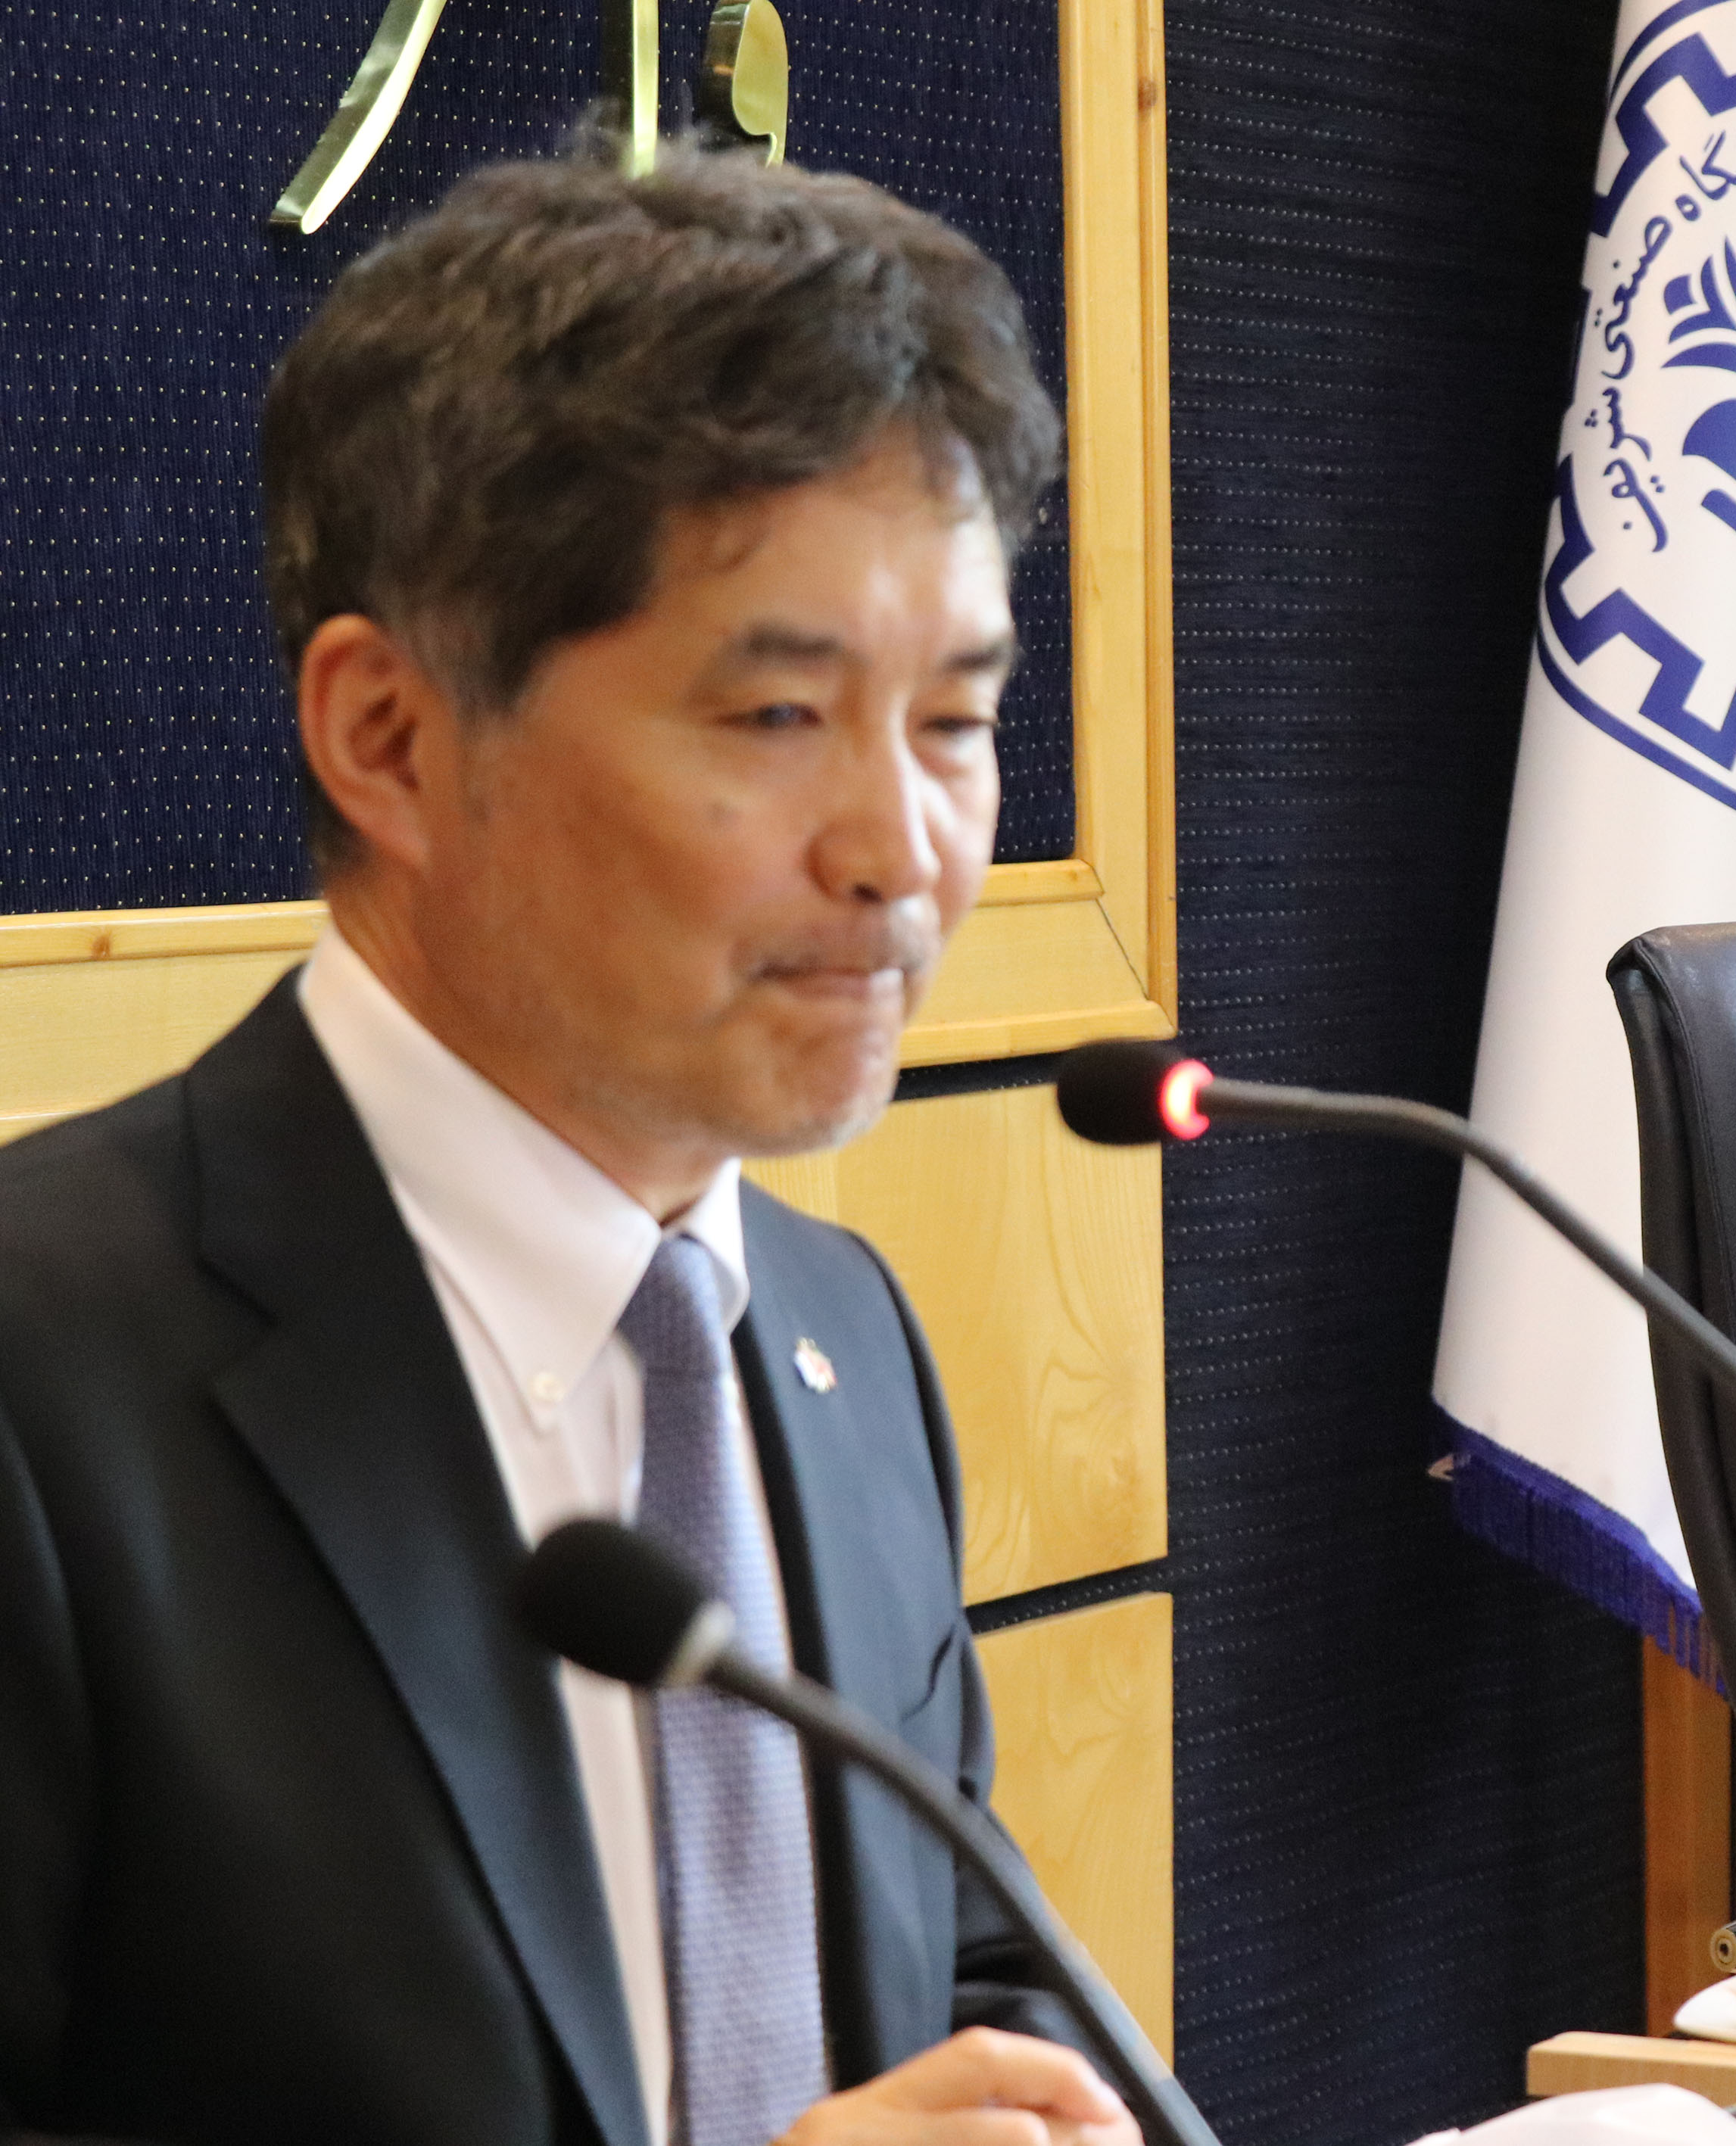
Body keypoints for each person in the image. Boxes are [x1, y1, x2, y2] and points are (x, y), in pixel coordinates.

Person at [0, 154, 1139, 2146]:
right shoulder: (43, 1368)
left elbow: (948, 1975)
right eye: (777, 713)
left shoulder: (840, 1331)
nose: (900, 852)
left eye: (954, 722)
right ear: (389, 736)